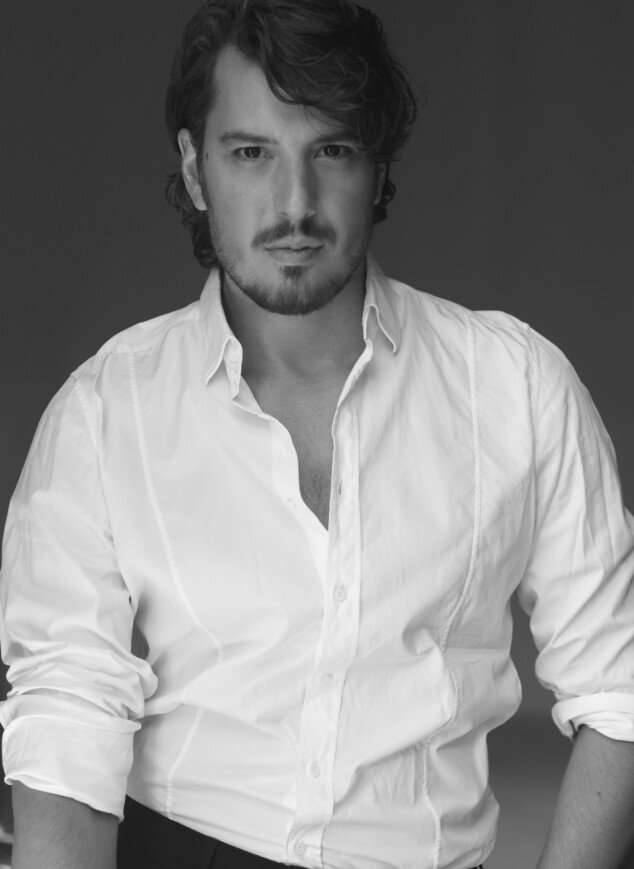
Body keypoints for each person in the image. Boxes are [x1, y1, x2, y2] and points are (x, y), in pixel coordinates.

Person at [1, 0, 633, 866]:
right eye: (250, 153)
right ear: (194, 170)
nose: (293, 204)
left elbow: (622, 685)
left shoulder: (515, 386)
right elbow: (65, 718)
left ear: (376, 167)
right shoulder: (106, 412)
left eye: (330, 150)